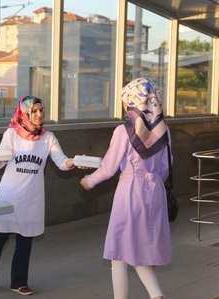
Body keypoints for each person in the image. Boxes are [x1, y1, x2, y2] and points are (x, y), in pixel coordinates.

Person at [0, 95, 75, 296]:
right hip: (8, 197)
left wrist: (76, 161)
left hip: (31, 199)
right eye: (34, 111)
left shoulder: (48, 138)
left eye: (41, 110)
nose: (39, 114)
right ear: (24, 112)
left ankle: (19, 281)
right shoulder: (11, 134)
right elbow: (0, 162)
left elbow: (62, 162)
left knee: (25, 241)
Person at [80, 78, 171, 299]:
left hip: (130, 191)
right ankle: (156, 294)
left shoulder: (124, 130)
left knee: (119, 251)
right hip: (155, 190)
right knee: (139, 249)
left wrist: (89, 181)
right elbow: (166, 167)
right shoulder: (164, 131)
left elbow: (109, 168)